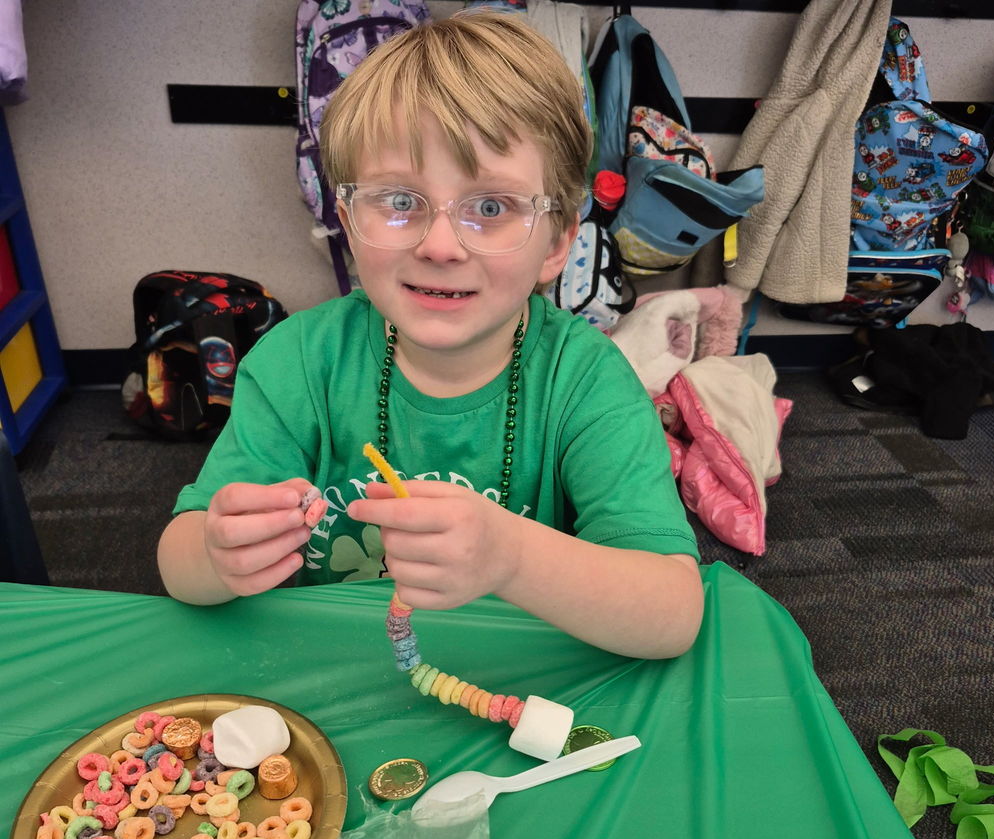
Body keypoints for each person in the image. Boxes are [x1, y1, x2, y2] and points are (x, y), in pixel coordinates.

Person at [157, 11, 704, 659]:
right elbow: (179, 565)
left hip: (514, 688)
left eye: (492, 207)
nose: (440, 245)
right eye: (397, 201)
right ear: (347, 219)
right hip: (328, 679)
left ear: (558, 241)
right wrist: (219, 556)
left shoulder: (586, 379)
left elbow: (672, 615)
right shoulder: (297, 363)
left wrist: (511, 558)